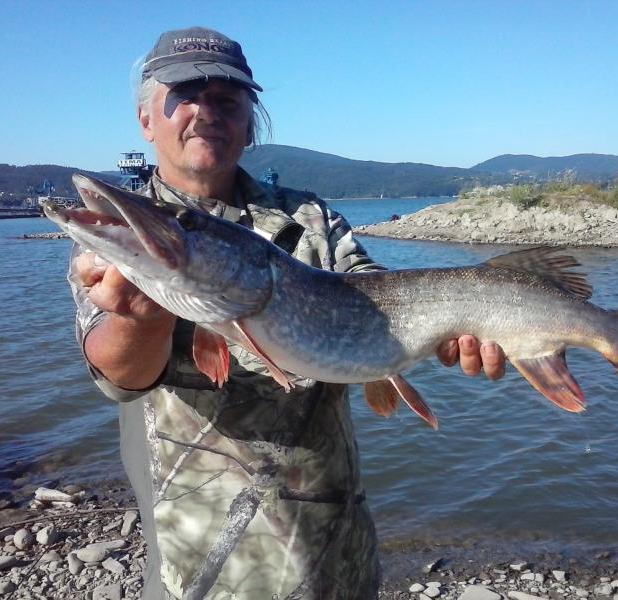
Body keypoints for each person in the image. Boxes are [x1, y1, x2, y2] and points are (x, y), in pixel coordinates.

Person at [69, 26, 505, 600]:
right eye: (184, 96)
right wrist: (139, 320)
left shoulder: (310, 217)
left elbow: (374, 294)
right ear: (146, 120)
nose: (206, 112)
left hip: (338, 550)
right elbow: (119, 381)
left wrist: (448, 332)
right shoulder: (117, 242)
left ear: (250, 124)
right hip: (208, 569)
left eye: (227, 100)